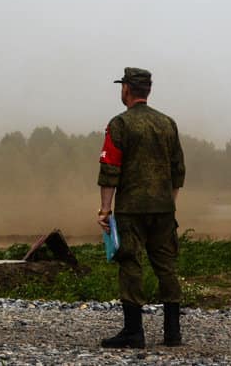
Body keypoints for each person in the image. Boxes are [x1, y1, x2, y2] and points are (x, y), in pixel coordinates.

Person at [97, 67, 186, 349]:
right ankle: (173, 333)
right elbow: (178, 170)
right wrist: (169, 204)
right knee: (166, 267)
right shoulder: (167, 124)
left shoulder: (119, 124)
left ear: (126, 89)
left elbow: (110, 167)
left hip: (131, 210)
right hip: (163, 209)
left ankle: (133, 332)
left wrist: (104, 210)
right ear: (147, 90)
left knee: (131, 264)